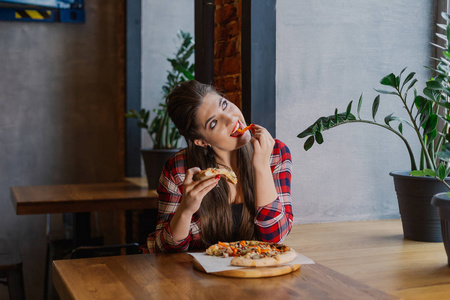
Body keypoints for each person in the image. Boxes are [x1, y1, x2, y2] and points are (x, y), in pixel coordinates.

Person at [145, 80, 292, 253]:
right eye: (213, 123)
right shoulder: (178, 170)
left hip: (255, 271)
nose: (231, 119)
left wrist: (261, 168)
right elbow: (164, 248)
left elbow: (276, 237)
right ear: (202, 141)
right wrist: (186, 209)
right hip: (196, 276)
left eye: (224, 105)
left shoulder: (275, 153)